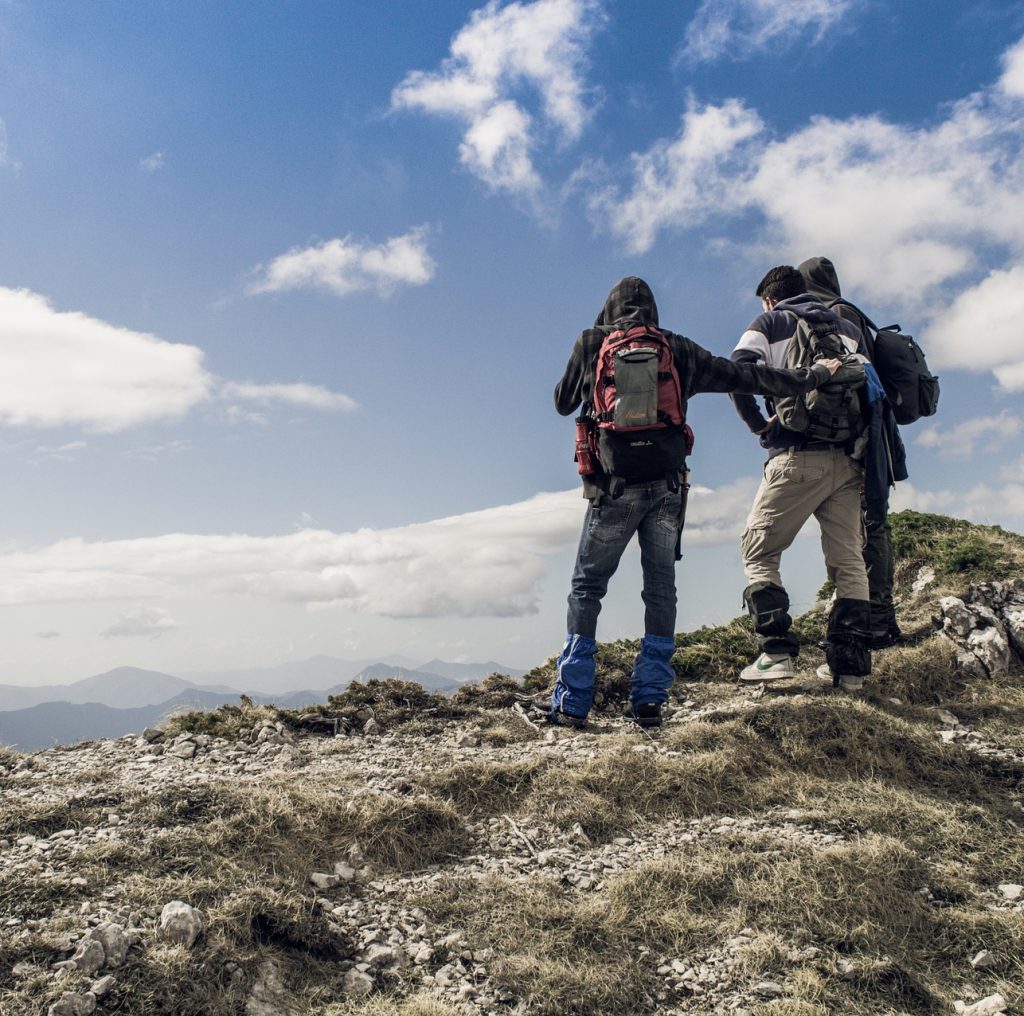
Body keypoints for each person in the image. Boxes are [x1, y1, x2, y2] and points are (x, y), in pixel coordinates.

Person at [552, 275, 842, 729]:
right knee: (661, 589)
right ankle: (649, 701)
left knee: (588, 587)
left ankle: (571, 701)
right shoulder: (677, 348)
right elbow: (747, 375)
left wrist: (595, 344)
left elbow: (562, 401)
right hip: (667, 489)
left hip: (613, 488)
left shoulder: (594, 341)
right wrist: (815, 375)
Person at [730, 265, 872, 691]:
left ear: (770, 299)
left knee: (758, 548)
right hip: (848, 460)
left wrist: (760, 425)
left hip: (796, 456)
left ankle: (776, 654)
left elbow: (738, 371)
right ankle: (849, 670)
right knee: (848, 559)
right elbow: (869, 388)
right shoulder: (846, 327)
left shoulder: (770, 322)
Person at [798, 256, 908, 648]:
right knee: (869, 522)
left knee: (869, 524)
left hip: (863, 437)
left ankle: (876, 621)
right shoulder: (851, 312)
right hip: (875, 433)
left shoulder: (834, 315)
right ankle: (878, 618)